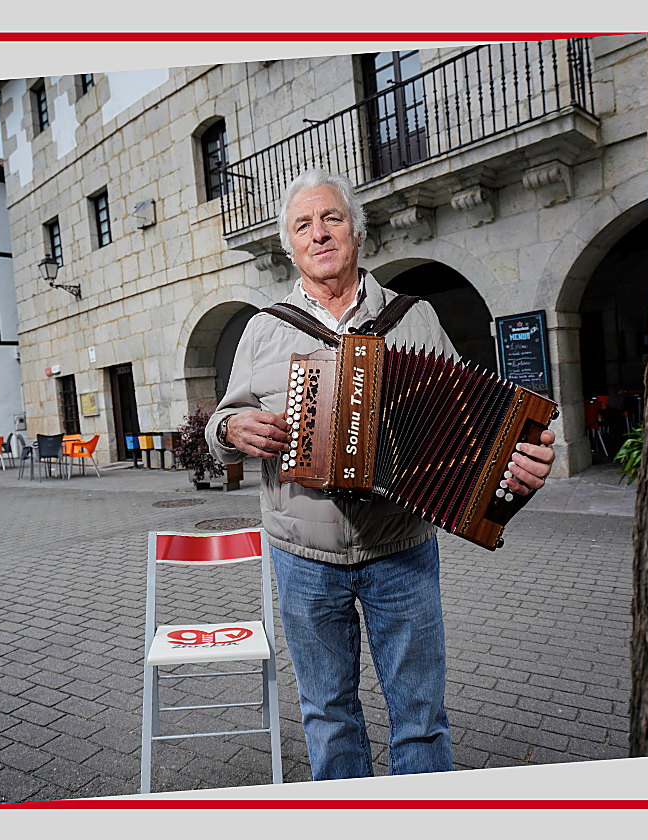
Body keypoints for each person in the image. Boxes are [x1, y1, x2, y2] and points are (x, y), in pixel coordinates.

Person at [205, 168, 556, 780]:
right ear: (290, 247)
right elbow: (222, 423)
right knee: (327, 714)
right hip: (303, 557)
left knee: (421, 716)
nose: (319, 233)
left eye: (331, 218)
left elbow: (468, 425)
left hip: (401, 550)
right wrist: (231, 430)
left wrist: (515, 464)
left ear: (357, 232)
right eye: (303, 225)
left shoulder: (413, 318)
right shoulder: (263, 329)